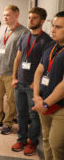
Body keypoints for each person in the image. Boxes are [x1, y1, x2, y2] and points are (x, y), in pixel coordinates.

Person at [11, 7, 52, 156]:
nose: (30, 20)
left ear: (42, 21)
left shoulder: (47, 41)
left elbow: (48, 66)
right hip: (19, 83)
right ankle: (21, 139)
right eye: (29, 17)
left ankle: (32, 142)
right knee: (21, 114)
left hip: (33, 86)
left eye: (34, 18)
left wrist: (37, 83)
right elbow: (18, 58)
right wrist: (14, 77)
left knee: (34, 116)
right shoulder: (24, 37)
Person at [0, 5, 28, 135]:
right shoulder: (1, 29)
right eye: (4, 15)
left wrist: (18, 74)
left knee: (11, 100)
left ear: (16, 15)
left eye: (8, 15)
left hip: (12, 73)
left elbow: (24, 54)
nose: (5, 17)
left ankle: (8, 123)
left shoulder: (23, 32)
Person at [32, 11, 64, 160]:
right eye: (53, 26)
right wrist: (37, 97)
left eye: (58, 27)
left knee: (56, 144)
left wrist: (44, 104)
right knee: (45, 139)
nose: (53, 30)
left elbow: (63, 86)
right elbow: (39, 71)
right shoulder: (51, 45)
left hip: (59, 107)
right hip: (43, 102)